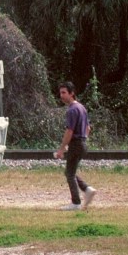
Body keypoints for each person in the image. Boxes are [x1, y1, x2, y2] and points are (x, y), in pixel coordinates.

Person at [53, 81, 97, 211]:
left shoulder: (72, 110)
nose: (61, 96)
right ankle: (87, 189)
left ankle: (76, 202)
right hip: (82, 143)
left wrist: (62, 148)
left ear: (72, 93)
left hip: (76, 143)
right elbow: (88, 128)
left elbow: (69, 131)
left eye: (64, 93)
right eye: (60, 93)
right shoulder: (82, 108)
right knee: (70, 172)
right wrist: (82, 140)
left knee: (70, 174)